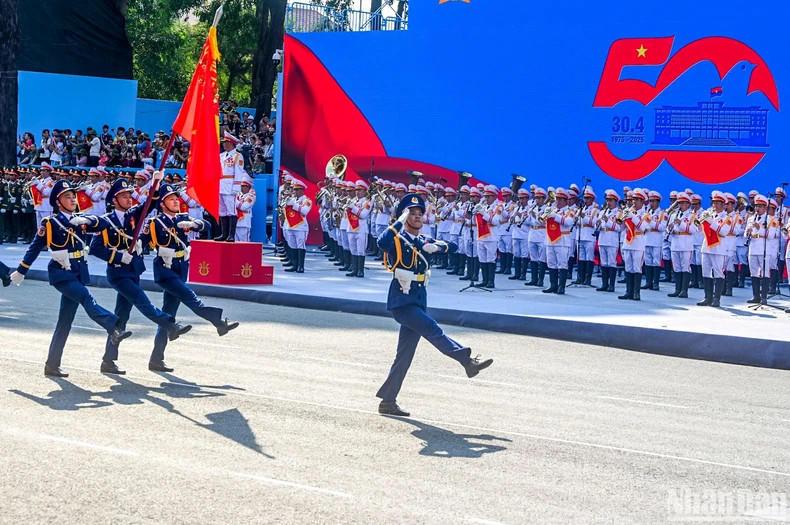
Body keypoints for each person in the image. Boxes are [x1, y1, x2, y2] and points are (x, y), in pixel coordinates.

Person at [376, 193, 493, 417]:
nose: (418, 217)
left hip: (418, 299)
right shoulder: (398, 239)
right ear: (404, 216)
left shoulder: (421, 241)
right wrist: (399, 221)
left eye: (420, 213)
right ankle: (467, 360)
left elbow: (453, 246)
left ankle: (387, 402)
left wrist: (437, 247)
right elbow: (382, 242)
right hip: (402, 302)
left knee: (404, 355)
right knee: (432, 329)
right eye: (412, 213)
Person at [8, 180, 132, 377]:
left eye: (73, 196)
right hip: (61, 274)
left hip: (78, 271)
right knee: (86, 297)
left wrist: (88, 221)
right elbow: (34, 247)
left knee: (65, 321)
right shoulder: (50, 223)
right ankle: (114, 326)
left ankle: (52, 364)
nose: (73, 199)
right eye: (67, 196)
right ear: (58, 202)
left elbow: (104, 223)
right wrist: (21, 270)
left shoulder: (80, 220)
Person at [90, 175, 192, 374]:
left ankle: (108, 361)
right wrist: (117, 257)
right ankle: (170, 325)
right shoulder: (106, 221)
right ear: (114, 200)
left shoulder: (133, 215)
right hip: (119, 273)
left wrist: (157, 182)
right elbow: (95, 248)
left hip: (134, 270)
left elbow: (151, 204)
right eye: (124, 196)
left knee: (121, 317)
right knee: (142, 301)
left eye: (129, 195)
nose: (129, 198)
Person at [144, 183, 239, 372]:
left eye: (176, 199)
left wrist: (194, 224)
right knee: (191, 299)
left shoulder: (183, 218)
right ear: (162, 204)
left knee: (168, 317)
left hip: (180, 268)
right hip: (165, 269)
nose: (176, 202)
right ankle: (218, 322)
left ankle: (156, 359)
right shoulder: (156, 222)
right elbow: (143, 240)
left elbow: (208, 225)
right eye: (171, 199)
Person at [215, 132, 246, 242]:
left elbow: (238, 173)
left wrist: (236, 188)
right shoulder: (221, 156)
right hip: (221, 185)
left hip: (230, 186)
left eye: (226, 142)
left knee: (231, 211)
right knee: (222, 211)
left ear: (231, 143)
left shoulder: (237, 156)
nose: (224, 145)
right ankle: (224, 234)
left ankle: (231, 234)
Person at [235, 177, 256, 242]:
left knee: (244, 241)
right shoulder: (238, 194)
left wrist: (234, 200)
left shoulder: (252, 196)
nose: (241, 187)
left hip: (244, 222)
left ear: (248, 187)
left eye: (243, 186)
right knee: (235, 241)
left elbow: (243, 207)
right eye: (241, 186)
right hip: (236, 221)